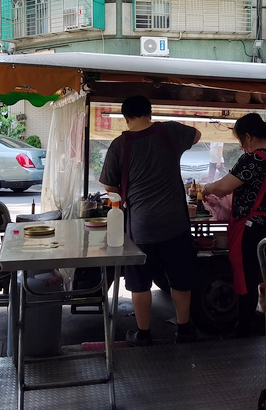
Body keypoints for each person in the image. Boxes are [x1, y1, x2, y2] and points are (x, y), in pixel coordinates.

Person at [99, 95, 202, 346]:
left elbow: (108, 185)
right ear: (149, 113)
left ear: (125, 118)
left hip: (140, 227)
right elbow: (197, 135)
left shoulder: (119, 145)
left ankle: (143, 334)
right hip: (175, 223)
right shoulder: (170, 132)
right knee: (180, 279)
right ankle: (184, 329)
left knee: (139, 282)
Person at [202, 113, 266, 336]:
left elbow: (224, 187)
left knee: (246, 277)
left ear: (248, 137)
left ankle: (244, 327)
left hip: (252, 229)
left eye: (241, 141)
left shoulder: (252, 159)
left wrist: (207, 188)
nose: (242, 146)